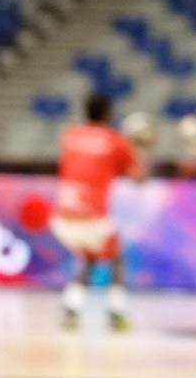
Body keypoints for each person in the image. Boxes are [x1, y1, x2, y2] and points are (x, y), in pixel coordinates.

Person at [51, 93, 147, 330]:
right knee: (117, 259)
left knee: (92, 257)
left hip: (62, 215)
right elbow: (138, 178)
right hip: (91, 216)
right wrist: (141, 148)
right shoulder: (114, 141)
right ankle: (117, 311)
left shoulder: (70, 134)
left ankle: (72, 306)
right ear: (107, 113)